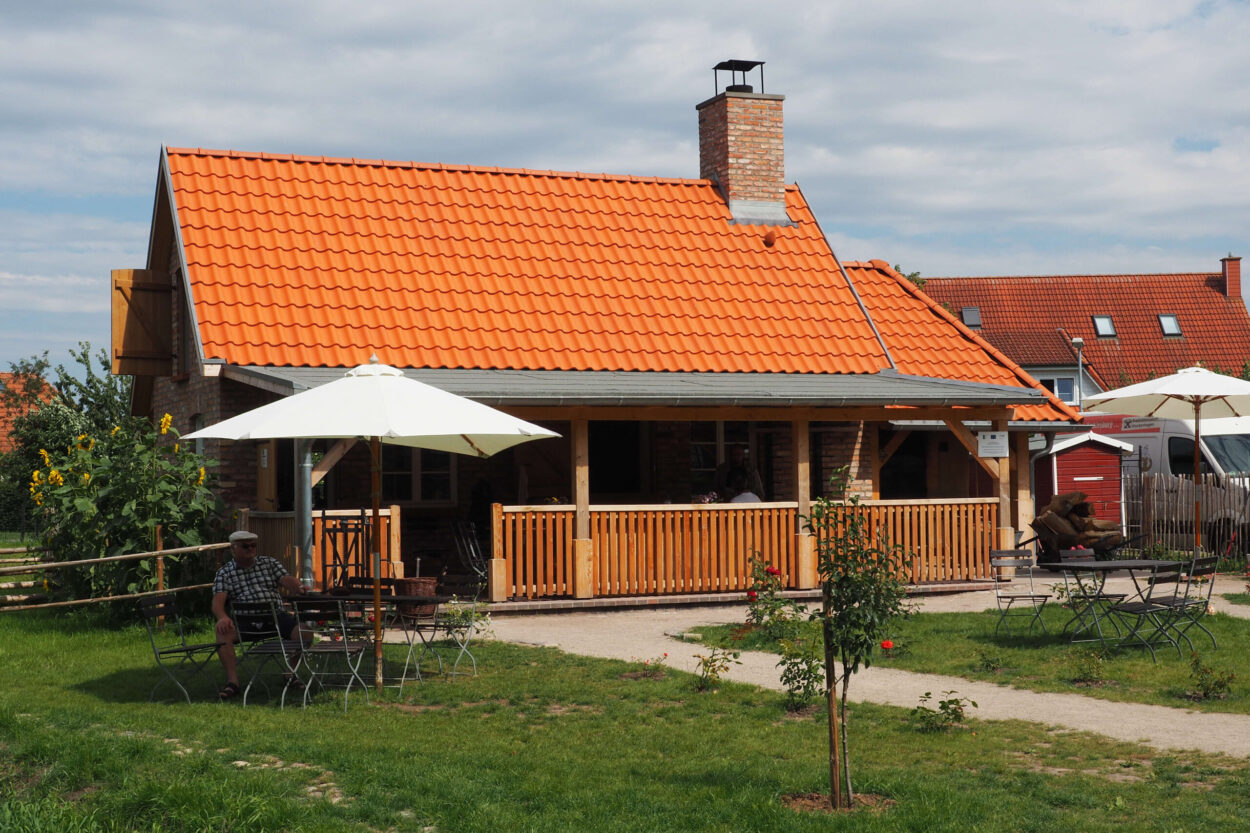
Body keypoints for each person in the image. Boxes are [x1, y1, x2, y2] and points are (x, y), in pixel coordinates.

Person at [212, 529, 308, 700]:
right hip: (245, 621)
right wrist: (223, 617)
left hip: (276, 618)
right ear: (233, 549)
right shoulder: (224, 573)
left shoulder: (269, 563)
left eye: (253, 545)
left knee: (304, 632)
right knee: (222, 631)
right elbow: (217, 602)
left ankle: (290, 674)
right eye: (245, 546)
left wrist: (298, 587)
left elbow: (286, 579)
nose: (250, 549)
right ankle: (233, 682)